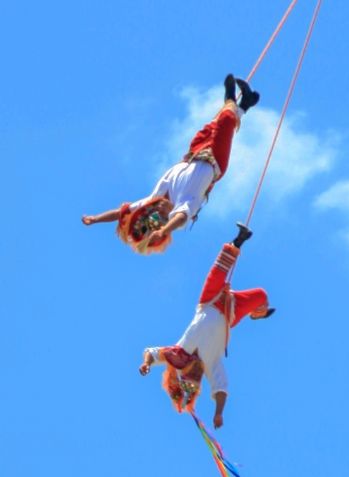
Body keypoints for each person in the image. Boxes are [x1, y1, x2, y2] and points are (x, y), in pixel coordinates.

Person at [81, 74, 261, 254]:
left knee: (212, 126)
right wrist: (163, 231)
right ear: (167, 218)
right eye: (161, 214)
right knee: (226, 121)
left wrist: (95, 219)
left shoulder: (152, 199)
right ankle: (230, 98)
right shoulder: (182, 206)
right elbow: (181, 218)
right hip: (215, 162)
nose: (158, 207)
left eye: (155, 210)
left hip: (194, 153)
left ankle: (246, 103)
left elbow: (121, 213)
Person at [138, 223, 275, 428]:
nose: (193, 376)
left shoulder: (175, 354)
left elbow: (151, 351)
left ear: (180, 375)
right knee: (261, 295)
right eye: (195, 381)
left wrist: (147, 363)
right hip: (231, 312)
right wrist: (218, 413)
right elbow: (221, 388)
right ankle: (257, 314)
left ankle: (239, 239)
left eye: (188, 379)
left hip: (209, 301)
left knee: (217, 273)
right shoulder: (211, 364)